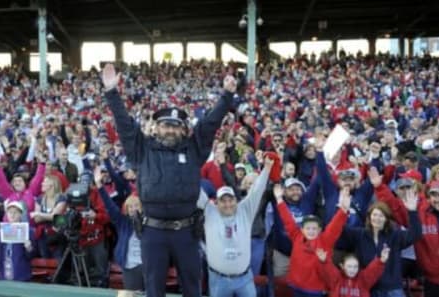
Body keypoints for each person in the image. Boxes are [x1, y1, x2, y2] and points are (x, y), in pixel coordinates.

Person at [102, 63, 236, 297]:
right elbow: (124, 124)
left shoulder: (194, 149)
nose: (171, 130)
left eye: (176, 126)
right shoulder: (141, 149)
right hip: (152, 231)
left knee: (192, 287)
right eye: (165, 125)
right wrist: (112, 92)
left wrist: (226, 97)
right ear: (156, 128)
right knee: (154, 289)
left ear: (184, 130)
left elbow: (209, 124)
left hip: (186, 230)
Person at [197, 157, 273, 297]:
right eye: (223, 201)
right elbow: (194, 187)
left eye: (230, 200)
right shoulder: (210, 211)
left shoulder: (245, 211)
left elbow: (257, 190)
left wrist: (266, 169)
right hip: (219, 280)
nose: (227, 204)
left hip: (244, 279)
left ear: (236, 200)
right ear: (216, 202)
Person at [273, 186, 351, 297]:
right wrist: (280, 200)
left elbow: (335, 226)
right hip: (296, 286)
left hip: (314, 290)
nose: (311, 231)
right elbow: (287, 220)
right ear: (302, 229)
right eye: (308, 228)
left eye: (314, 228)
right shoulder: (296, 236)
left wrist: (343, 210)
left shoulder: (325, 240)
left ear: (319, 230)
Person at [94, 166, 144, 291]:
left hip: (147, 265)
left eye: (136, 206)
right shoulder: (122, 222)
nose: (133, 208)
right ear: (126, 209)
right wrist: (100, 186)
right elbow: (109, 205)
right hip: (129, 266)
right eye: (130, 206)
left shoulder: (148, 222)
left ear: (142, 207)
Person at [0, 201, 34, 281]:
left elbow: (31, 255)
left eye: (15, 212)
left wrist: (29, 248)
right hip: (4, 272)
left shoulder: (28, 231)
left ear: (20, 214)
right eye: (10, 212)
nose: (12, 215)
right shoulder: (1, 231)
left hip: (21, 275)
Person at [316, 246, 390, 297]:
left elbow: (373, 271)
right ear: (342, 266)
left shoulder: (363, 279)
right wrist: (324, 261)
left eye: (355, 267)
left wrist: (381, 261)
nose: (352, 270)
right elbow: (329, 270)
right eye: (349, 266)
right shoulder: (337, 278)